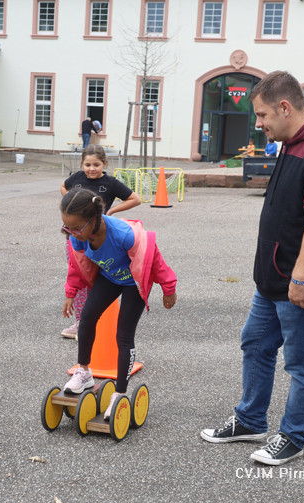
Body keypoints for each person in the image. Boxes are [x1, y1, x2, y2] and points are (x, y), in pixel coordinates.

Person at [199, 70, 304, 466]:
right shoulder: (293, 140)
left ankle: (293, 436)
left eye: (263, 114)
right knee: (255, 343)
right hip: (273, 278)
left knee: (302, 362)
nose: (259, 123)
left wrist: (301, 278)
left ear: (285, 107)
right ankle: (250, 420)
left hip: (302, 284)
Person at [60, 188, 177, 419]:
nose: (72, 233)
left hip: (134, 282)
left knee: (123, 335)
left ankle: (119, 393)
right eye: (67, 228)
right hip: (110, 278)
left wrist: (169, 288)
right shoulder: (78, 238)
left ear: (94, 218)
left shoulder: (124, 235)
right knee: (87, 317)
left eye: (76, 228)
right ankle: (84, 372)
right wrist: (71, 292)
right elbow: (76, 265)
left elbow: (154, 258)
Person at [59, 144, 141, 339]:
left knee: (101, 280)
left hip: (100, 239)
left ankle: (99, 322)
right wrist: (70, 202)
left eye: (96, 164)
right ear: (82, 164)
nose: (91, 169)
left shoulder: (110, 183)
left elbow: (135, 199)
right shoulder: (77, 178)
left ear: (104, 163)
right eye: (87, 165)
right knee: (80, 277)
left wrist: (111, 211)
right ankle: (81, 322)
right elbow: (63, 186)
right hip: (76, 237)